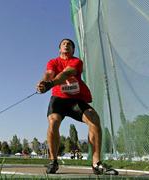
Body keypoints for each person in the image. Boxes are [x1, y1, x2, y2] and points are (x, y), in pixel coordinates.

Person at [36, 39, 118, 175]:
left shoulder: (76, 62)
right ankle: (53, 161)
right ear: (59, 49)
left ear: (73, 50)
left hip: (75, 100)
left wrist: (50, 84)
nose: (67, 45)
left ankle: (96, 163)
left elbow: (66, 74)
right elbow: (49, 73)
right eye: (64, 44)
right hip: (58, 100)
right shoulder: (53, 62)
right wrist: (43, 82)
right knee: (53, 121)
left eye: (70, 44)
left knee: (94, 118)